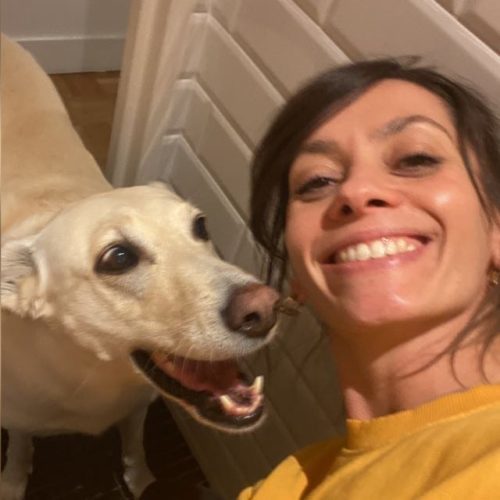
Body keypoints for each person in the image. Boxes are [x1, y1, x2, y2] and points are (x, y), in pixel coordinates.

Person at [239, 58, 500, 499]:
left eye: (416, 159)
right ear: (297, 277)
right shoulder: (288, 482)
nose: (356, 191)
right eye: (317, 181)